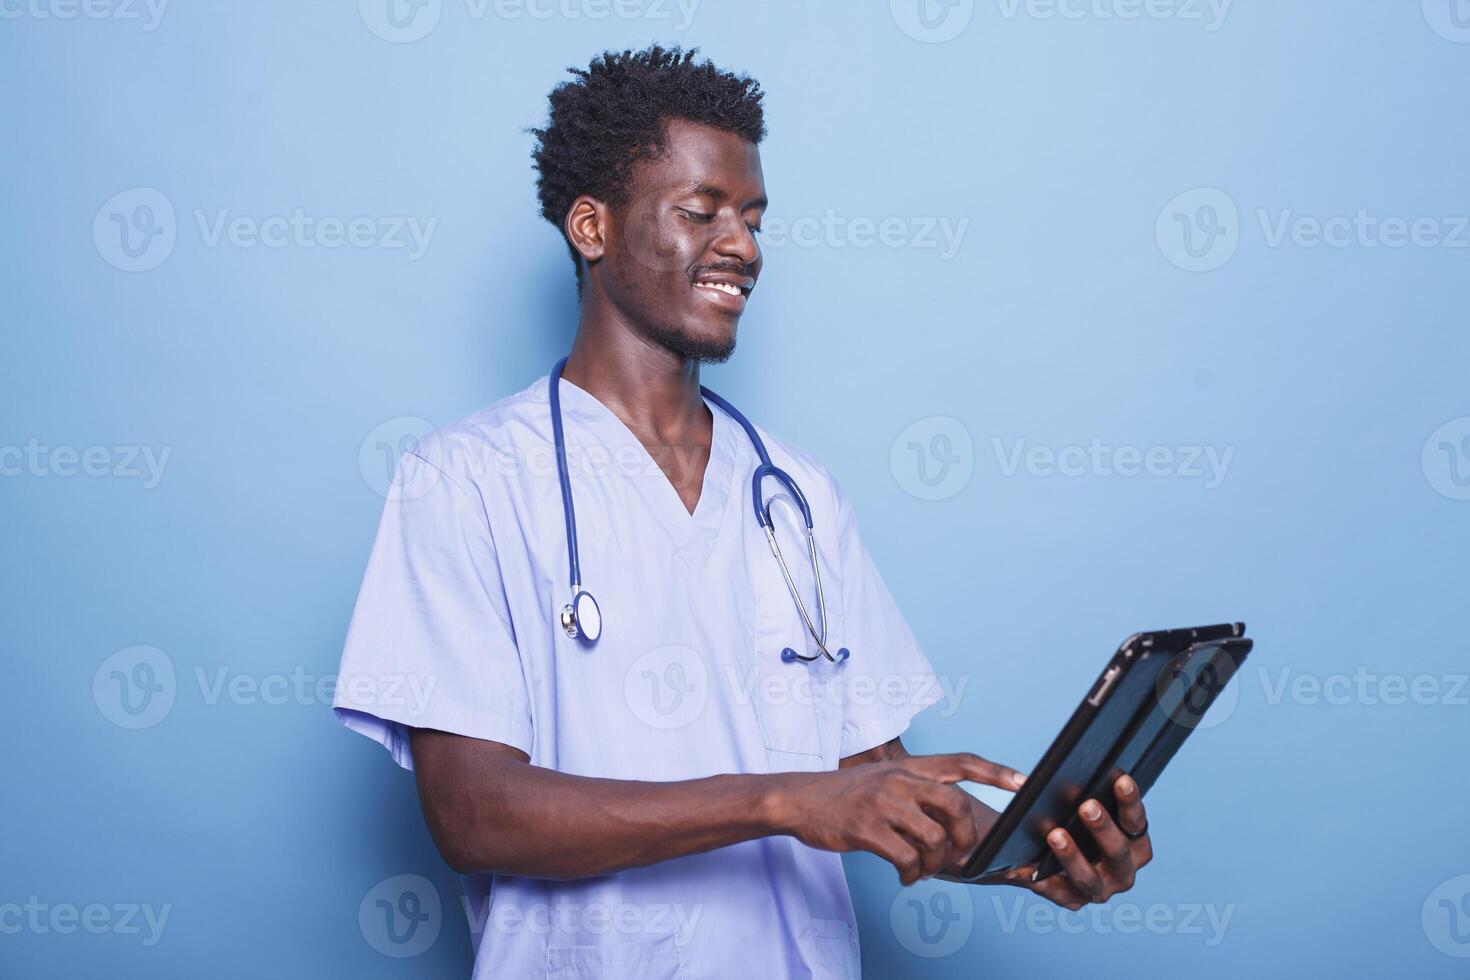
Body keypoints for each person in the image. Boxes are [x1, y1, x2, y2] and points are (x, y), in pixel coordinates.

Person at [333, 44, 1153, 979]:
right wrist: (776, 801)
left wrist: (1043, 845)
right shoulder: (465, 480)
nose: (744, 247)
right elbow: (474, 815)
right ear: (591, 227)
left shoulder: (797, 492)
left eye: (754, 219)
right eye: (701, 212)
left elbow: (868, 785)